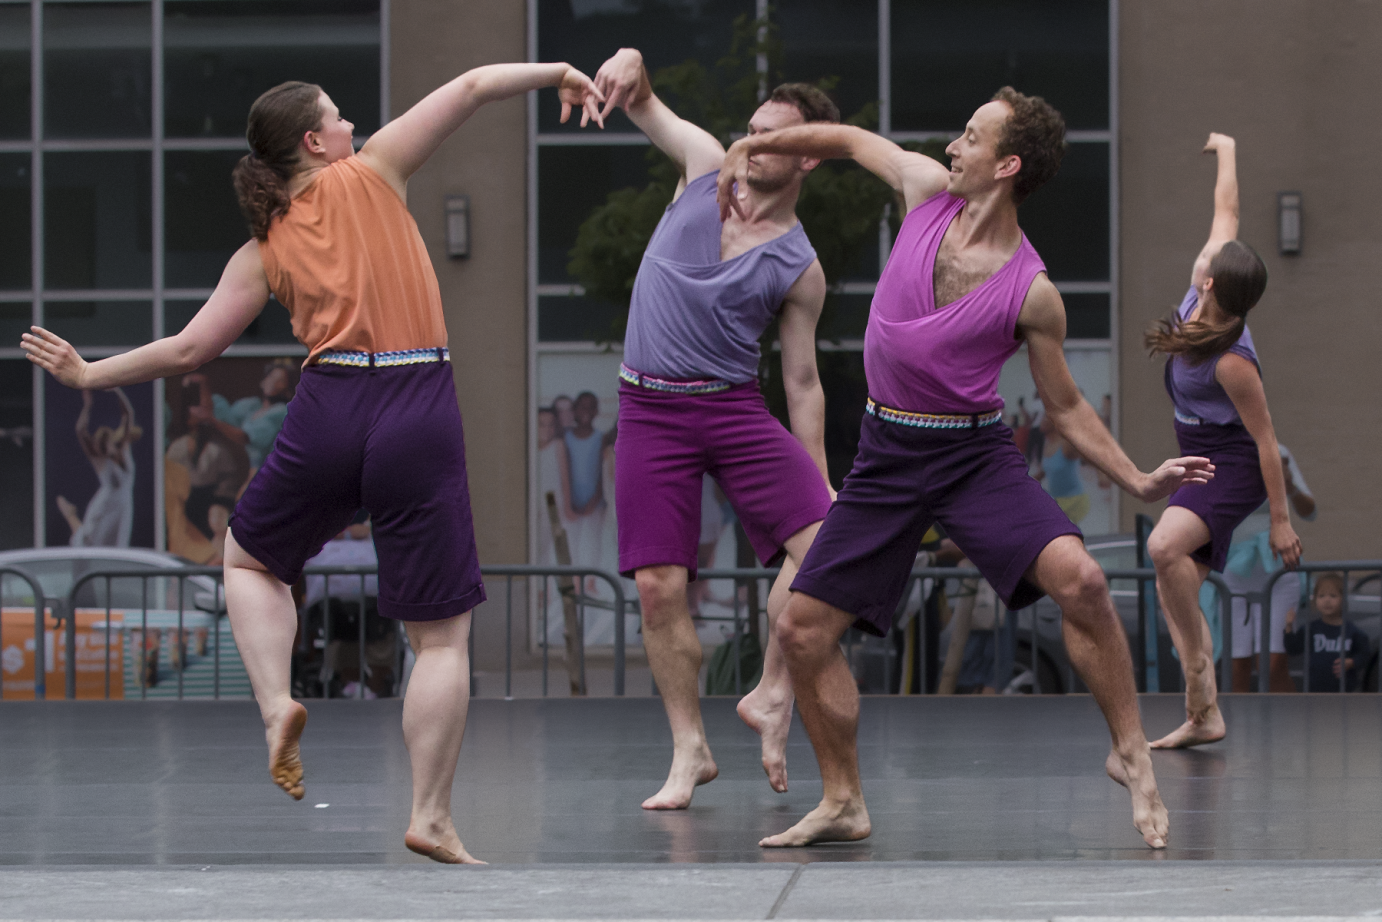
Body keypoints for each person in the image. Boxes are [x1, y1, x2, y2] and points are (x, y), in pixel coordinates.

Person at [23, 64, 604, 864]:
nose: (352, 125)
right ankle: (430, 814)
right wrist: (560, 72)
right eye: (338, 118)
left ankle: (274, 705)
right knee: (439, 640)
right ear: (313, 141)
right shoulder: (373, 172)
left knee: (250, 560)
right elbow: (472, 88)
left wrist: (90, 374)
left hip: (330, 404)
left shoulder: (264, 247)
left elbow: (192, 347)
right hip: (418, 402)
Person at [715, 87, 1216, 850]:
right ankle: (845, 800)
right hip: (888, 453)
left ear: (1006, 165)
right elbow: (849, 140)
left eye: (971, 137)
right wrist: (755, 148)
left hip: (972, 457)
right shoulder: (922, 191)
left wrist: (1138, 478)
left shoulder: (1032, 292)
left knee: (1080, 580)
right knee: (802, 630)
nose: (952, 145)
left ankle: (1130, 754)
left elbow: (1067, 409)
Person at [588, 47, 835, 809]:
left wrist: (819, 475)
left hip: (730, 407)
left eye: (775, 139)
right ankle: (689, 748)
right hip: (650, 408)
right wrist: (633, 63)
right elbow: (645, 101)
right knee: (659, 590)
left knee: (828, 545)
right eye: (752, 130)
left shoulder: (800, 266)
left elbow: (800, 382)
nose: (753, 145)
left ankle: (769, 691)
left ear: (809, 161)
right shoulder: (701, 166)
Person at [1143, 133, 1301, 748]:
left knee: (1162, 549)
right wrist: (1228, 148)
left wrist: (1282, 521)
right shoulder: (1202, 292)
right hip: (1197, 453)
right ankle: (1204, 709)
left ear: (1213, 288)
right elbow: (1226, 211)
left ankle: (1200, 685)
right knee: (1174, 578)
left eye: (1209, 269)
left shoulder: (1234, 360)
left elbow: (1266, 442)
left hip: (1230, 463)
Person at [1224, 443, 1316, 692]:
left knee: (1272, 664)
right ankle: (1235, 729)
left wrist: (1290, 486)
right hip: (1234, 571)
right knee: (1237, 665)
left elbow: (1310, 512)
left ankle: (1288, 728)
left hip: (1277, 572)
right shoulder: (1219, 451)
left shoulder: (1278, 451)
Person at [56, 387, 142, 547]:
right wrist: (87, 405)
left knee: (117, 548)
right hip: (105, 507)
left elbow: (128, 414)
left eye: (106, 441)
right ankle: (70, 515)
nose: (106, 446)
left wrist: (116, 389)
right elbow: (80, 431)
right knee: (89, 542)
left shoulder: (123, 450)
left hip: (123, 508)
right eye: (102, 444)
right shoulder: (100, 460)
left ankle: (71, 514)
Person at [1284, 572, 1369, 693]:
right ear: (1315, 599)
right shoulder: (1310, 629)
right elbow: (1293, 649)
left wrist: (1352, 662)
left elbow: (1364, 653)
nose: (1327, 600)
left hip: (1344, 691)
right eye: (1321, 596)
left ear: (1342, 599)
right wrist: (1288, 627)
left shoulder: (1352, 631)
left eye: (1333, 596)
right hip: (1315, 690)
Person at [209, 360, 297, 474]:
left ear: (288, 389)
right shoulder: (252, 406)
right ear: (263, 381)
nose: (273, 382)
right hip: (242, 469)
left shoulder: (281, 412)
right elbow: (228, 419)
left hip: (264, 473)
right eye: (271, 377)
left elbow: (245, 437)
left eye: (281, 380)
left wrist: (212, 420)